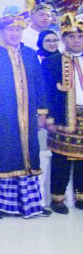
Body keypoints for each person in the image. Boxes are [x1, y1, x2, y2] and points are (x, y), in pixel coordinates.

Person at [0, 15, 48, 219]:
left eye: (18, 30)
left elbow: (39, 84)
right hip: (1, 116)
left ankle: (29, 204)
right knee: (2, 154)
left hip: (27, 116)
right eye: (10, 30)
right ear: (1, 31)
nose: (15, 34)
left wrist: (42, 112)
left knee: (28, 153)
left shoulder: (30, 54)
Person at [42, 13, 83, 213]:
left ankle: (80, 196)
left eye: (80, 37)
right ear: (64, 39)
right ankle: (57, 198)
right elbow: (47, 92)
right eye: (72, 37)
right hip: (63, 116)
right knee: (61, 157)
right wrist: (49, 117)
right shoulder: (52, 61)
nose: (77, 41)